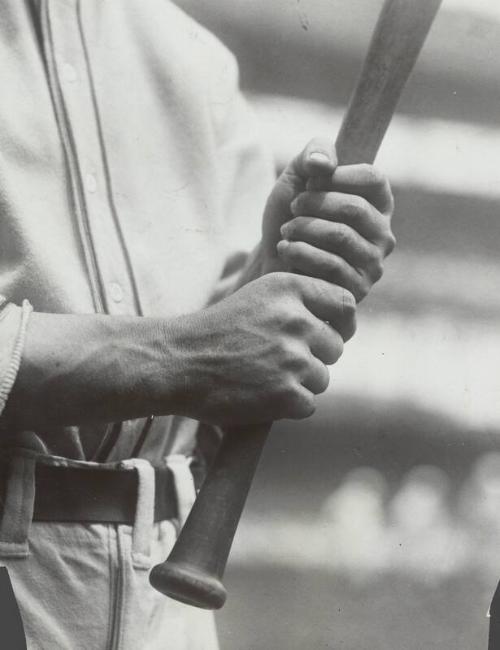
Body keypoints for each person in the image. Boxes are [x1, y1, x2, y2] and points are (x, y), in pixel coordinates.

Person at [0, 1, 395, 648]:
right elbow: (196, 359)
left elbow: (214, 401)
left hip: (170, 597)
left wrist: (276, 280)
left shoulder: (195, 61)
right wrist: (187, 357)